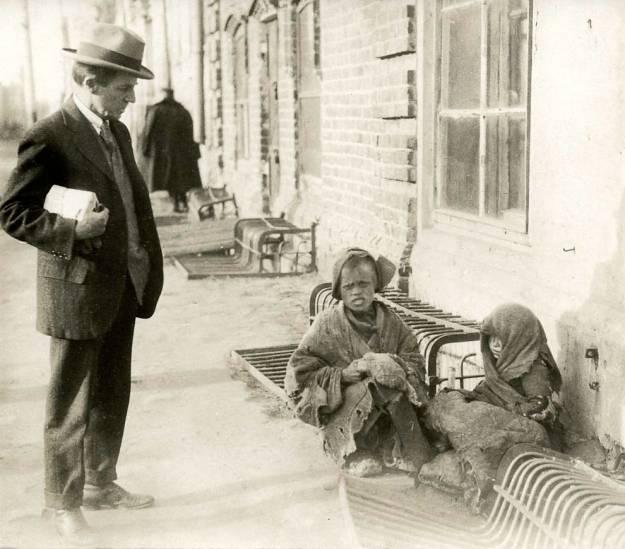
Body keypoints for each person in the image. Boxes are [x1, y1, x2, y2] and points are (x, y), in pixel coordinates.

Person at [0, 23, 163, 546]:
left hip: (124, 281)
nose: (132, 96)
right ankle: (60, 504)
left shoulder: (117, 130)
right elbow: (12, 212)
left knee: (112, 392)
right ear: (90, 80)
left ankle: (100, 482)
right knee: (70, 401)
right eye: (124, 87)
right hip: (76, 285)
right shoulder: (50, 134)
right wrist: (71, 229)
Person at [284, 248, 433, 477]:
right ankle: (356, 453)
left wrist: (391, 365)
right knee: (376, 390)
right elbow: (299, 370)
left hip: (393, 409)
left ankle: (405, 450)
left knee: (390, 389)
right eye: (349, 287)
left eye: (364, 284)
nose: (357, 292)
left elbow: (413, 358)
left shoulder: (392, 322)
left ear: (375, 286)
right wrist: (341, 376)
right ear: (340, 291)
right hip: (349, 405)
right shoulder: (328, 323)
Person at [420, 303, 564, 513]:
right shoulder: (504, 361)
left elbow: (538, 411)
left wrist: (491, 411)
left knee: (471, 417)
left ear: (519, 338)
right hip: (502, 419)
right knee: (448, 402)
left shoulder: (533, 368)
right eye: (491, 337)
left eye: (502, 337)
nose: (495, 344)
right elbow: (489, 391)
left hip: (529, 433)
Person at [140, 87, 202, 212]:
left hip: (162, 153)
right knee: (180, 179)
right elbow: (190, 133)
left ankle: (176, 203)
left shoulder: (156, 110)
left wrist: (145, 149)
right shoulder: (182, 111)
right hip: (181, 154)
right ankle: (182, 202)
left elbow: (147, 132)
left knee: (169, 179)